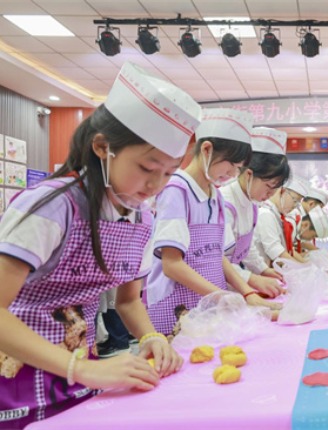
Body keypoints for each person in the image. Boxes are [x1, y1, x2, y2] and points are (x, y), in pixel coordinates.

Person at [0, 62, 192, 428]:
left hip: (74, 379)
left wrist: (150, 337)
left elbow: (129, 300)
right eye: (148, 167)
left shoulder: (140, 219)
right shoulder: (51, 207)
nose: (156, 186)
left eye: (168, 173)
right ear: (103, 148)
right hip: (12, 379)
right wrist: (82, 368)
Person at [145, 109, 278, 338]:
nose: (233, 174)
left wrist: (247, 294)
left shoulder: (215, 195)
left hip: (209, 304)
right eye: (232, 165)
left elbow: (218, 257)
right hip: (177, 307)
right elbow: (172, 264)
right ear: (206, 149)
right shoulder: (176, 189)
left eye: (238, 169)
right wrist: (222, 296)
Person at [221, 126, 291, 299]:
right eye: (268, 186)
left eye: (275, 189)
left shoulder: (251, 204)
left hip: (235, 283)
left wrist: (264, 270)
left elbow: (247, 248)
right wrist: (252, 279)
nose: (270, 195)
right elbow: (217, 258)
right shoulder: (225, 202)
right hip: (219, 282)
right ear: (248, 175)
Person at [248, 174, 310, 268]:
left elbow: (285, 249)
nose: (295, 207)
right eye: (295, 200)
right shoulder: (266, 214)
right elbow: (275, 251)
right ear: (282, 191)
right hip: (261, 274)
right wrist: (302, 269)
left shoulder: (277, 215)